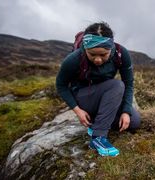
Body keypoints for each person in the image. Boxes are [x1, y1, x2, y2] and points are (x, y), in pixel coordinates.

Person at [56, 22, 141, 157]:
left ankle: (96, 122)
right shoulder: (74, 59)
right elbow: (61, 85)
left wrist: (125, 111)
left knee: (134, 121)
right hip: (83, 98)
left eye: (103, 55)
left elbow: (129, 83)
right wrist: (77, 111)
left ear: (111, 48)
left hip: (106, 97)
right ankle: (98, 138)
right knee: (117, 85)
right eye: (92, 54)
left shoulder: (121, 54)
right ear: (85, 48)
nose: (97, 60)